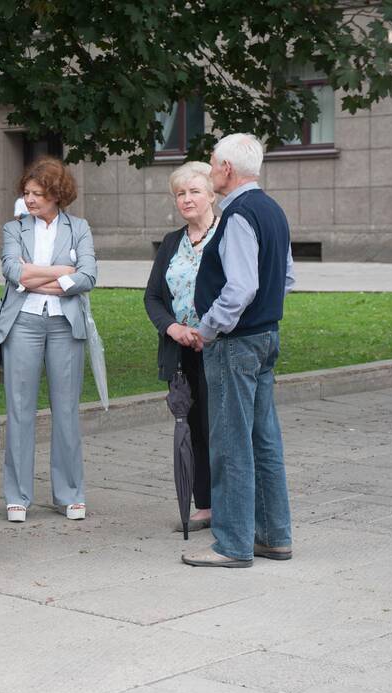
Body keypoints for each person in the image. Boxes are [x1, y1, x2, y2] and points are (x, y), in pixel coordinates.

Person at [181, 133, 295, 569]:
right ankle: (273, 536)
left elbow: (241, 287)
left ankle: (232, 544)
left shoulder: (239, 214)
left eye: (212, 164)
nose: (210, 171)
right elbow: (285, 278)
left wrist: (209, 328)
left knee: (231, 442)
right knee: (264, 439)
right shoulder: (273, 210)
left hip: (237, 341)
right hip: (265, 335)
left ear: (227, 169)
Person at [0, 157, 97, 523]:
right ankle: (17, 495)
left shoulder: (79, 227)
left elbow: (87, 275)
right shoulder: (14, 229)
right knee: (19, 409)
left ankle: (69, 494)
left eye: (37, 194)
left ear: (57, 194)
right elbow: (10, 271)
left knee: (66, 410)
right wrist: (62, 273)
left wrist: (34, 275)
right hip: (22, 322)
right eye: (27, 193)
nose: (30, 200)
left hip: (64, 326)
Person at [144, 161, 218, 532]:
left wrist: (208, 330)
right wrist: (172, 328)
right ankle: (203, 505)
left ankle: (232, 503)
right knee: (193, 428)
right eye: (180, 193)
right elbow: (153, 297)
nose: (186, 199)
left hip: (219, 348)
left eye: (194, 191)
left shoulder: (226, 235)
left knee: (222, 427)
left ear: (212, 194)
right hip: (182, 352)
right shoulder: (172, 242)